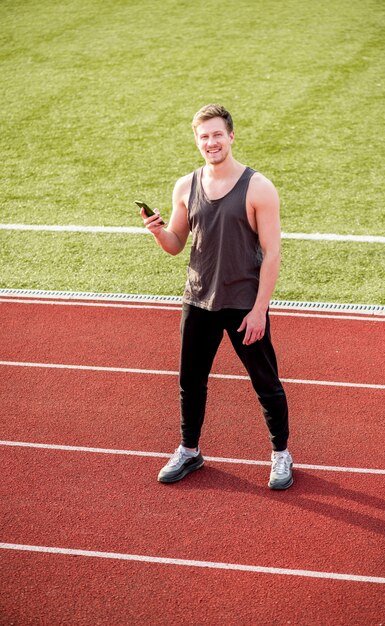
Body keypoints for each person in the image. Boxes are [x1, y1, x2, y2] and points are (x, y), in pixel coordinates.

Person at [141, 103, 292, 489]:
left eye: (217, 134)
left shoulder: (258, 187)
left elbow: (273, 253)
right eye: (204, 136)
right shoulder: (185, 186)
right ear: (197, 140)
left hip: (244, 304)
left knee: (265, 381)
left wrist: (260, 310)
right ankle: (189, 452)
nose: (211, 142)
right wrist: (158, 231)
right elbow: (176, 244)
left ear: (231, 136)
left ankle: (280, 454)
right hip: (198, 300)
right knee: (191, 381)